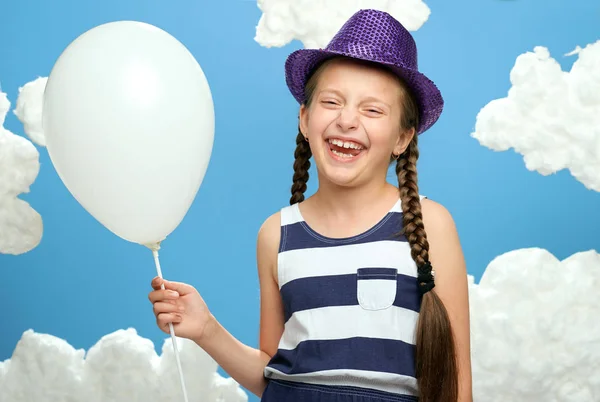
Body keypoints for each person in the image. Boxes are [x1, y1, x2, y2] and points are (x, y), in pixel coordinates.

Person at [148, 9, 472, 402]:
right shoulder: (277, 234)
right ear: (305, 118)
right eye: (332, 101)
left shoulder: (430, 224)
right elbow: (273, 373)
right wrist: (205, 329)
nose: (347, 120)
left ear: (403, 137)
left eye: (372, 109)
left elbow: (455, 390)